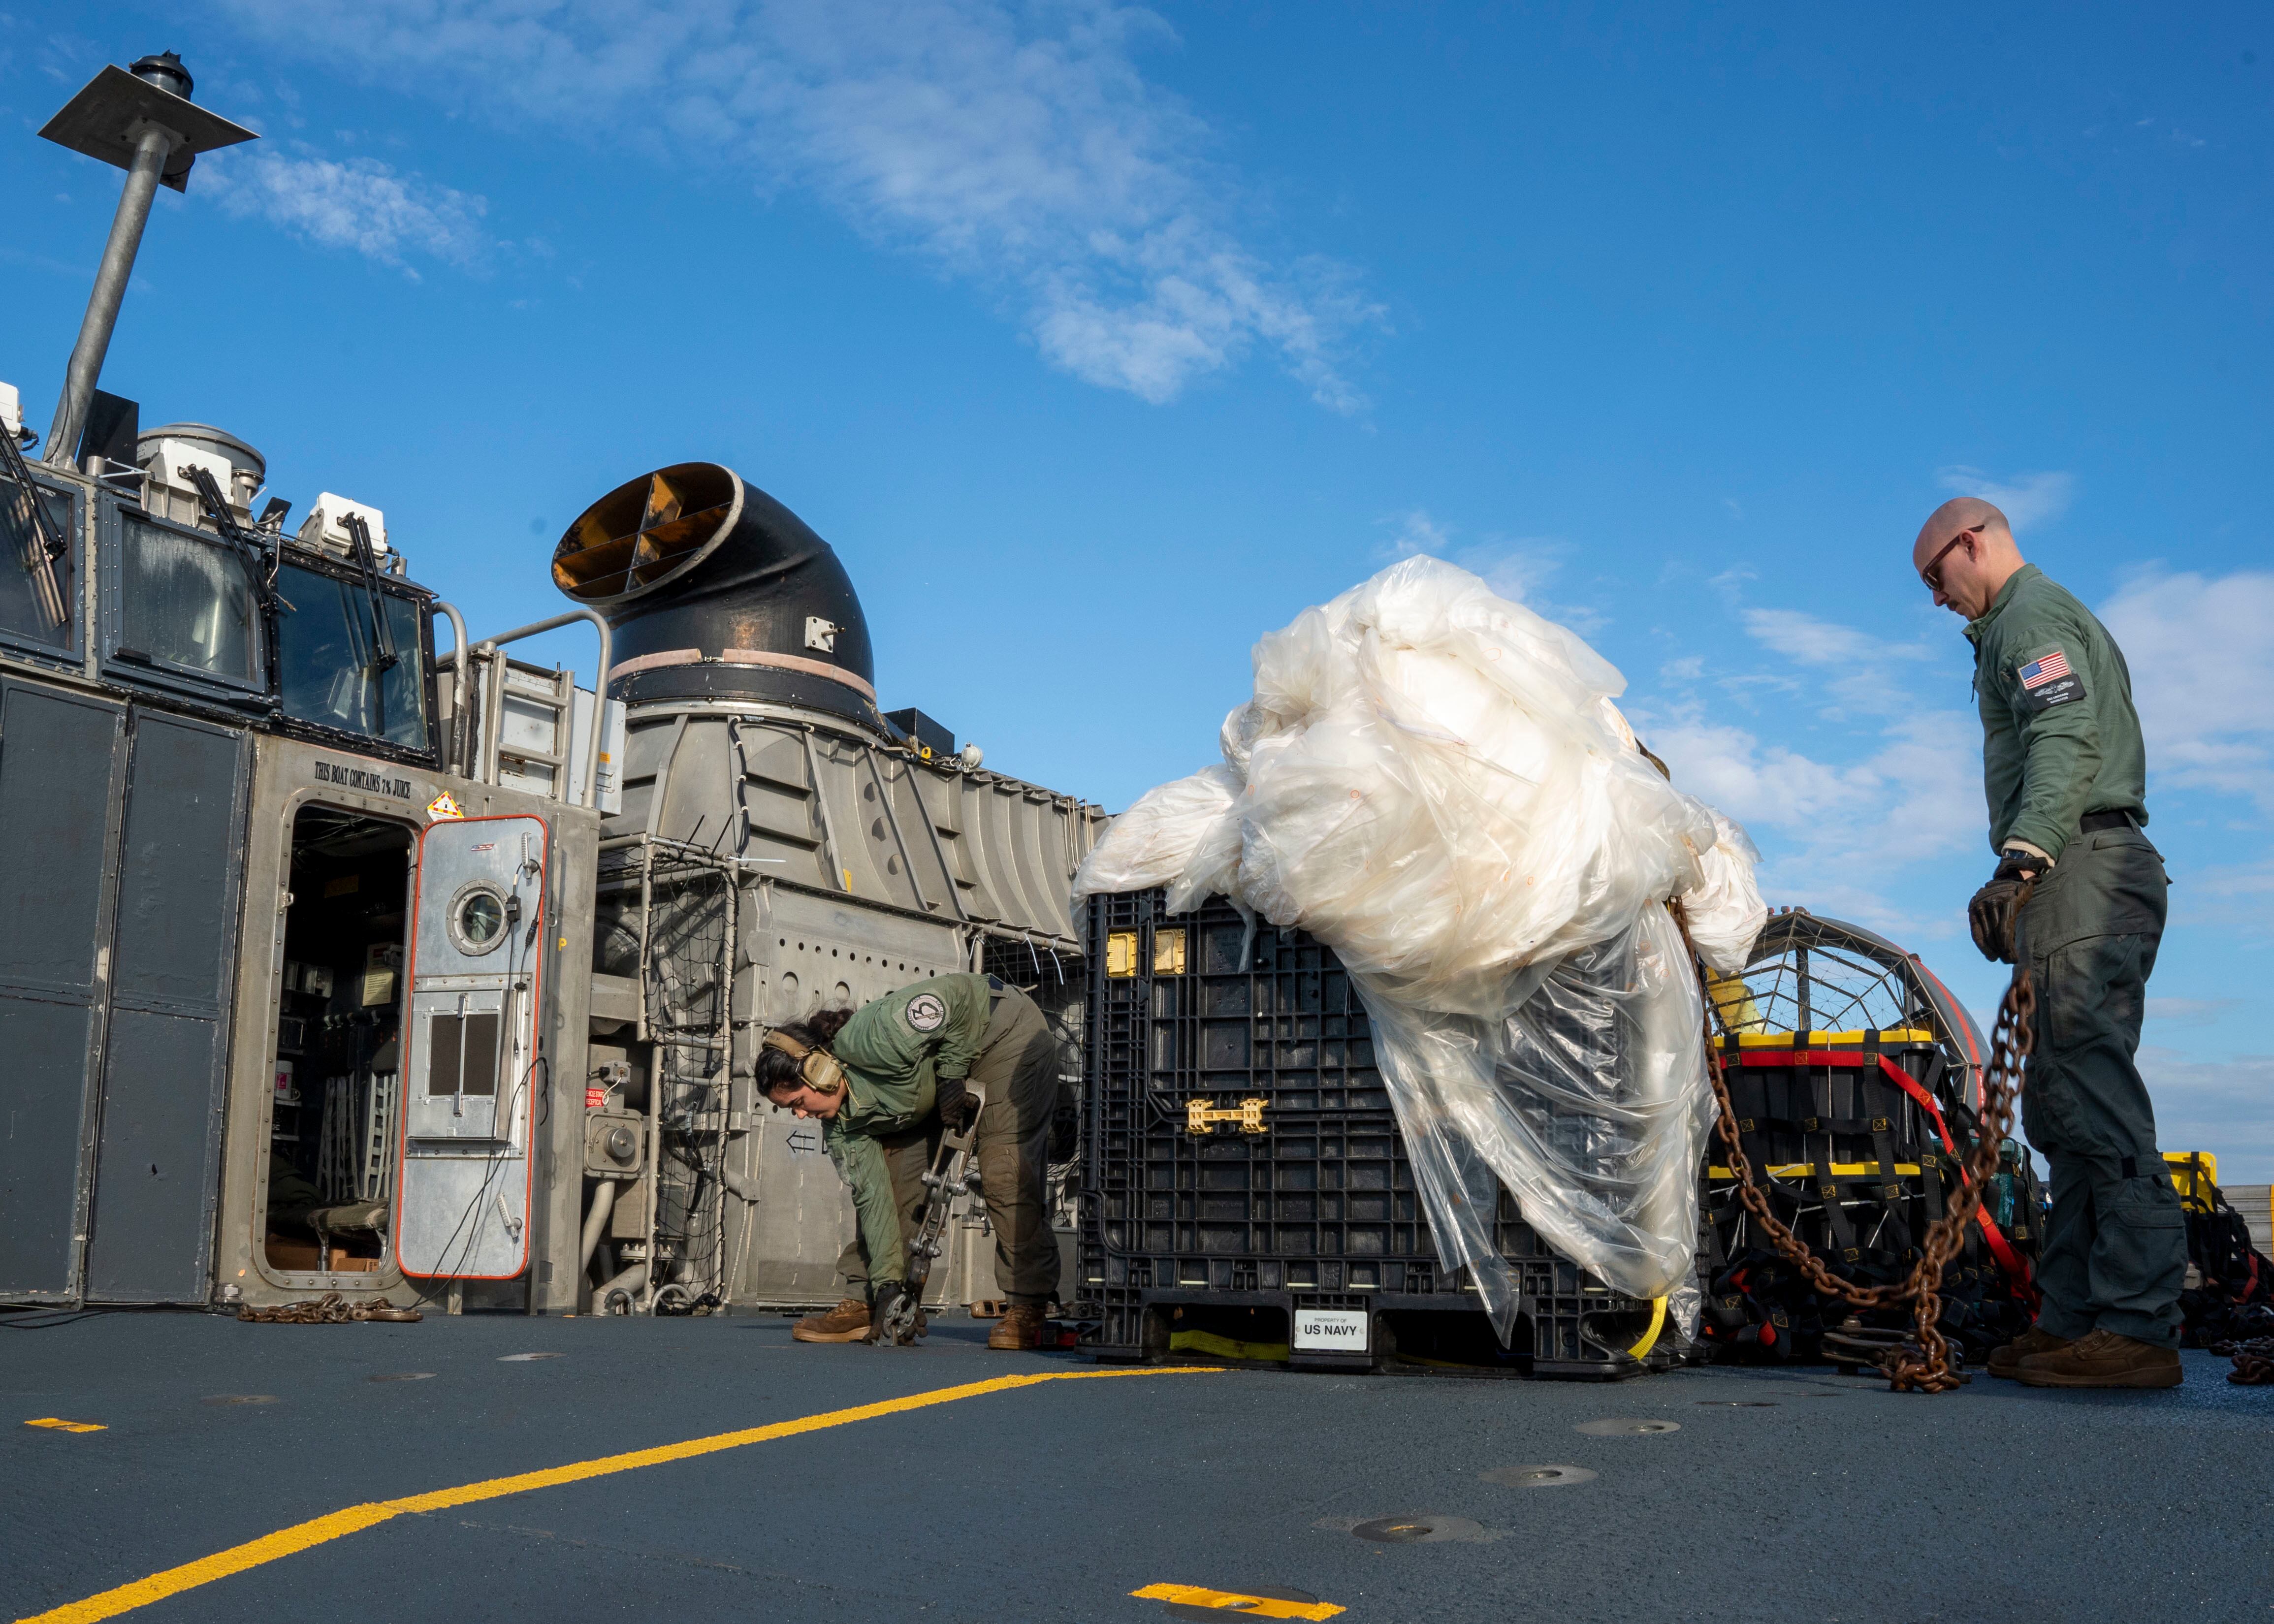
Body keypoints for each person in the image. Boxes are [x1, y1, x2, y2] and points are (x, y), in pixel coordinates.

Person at [1913, 496, 2184, 1389]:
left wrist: (2022, 858)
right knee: (2060, 1101)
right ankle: (2072, 1315)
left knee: (2092, 1094)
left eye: (1935, 575)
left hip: (2083, 864)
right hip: (2077, 869)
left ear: (1971, 542)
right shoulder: (2018, 624)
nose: (1936, 597)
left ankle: (2136, 1324)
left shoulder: (2027, 617)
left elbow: (2063, 731)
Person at [759, 972, 1062, 1349]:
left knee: (1004, 1171)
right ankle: (872, 1300)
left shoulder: (874, 1034)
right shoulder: (841, 1125)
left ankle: (1029, 1303)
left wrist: (952, 1074)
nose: (801, 1115)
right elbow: (873, 1198)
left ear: (819, 1071)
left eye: (798, 1103)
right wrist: (889, 1283)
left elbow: (959, 997)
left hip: (1002, 1037)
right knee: (893, 1178)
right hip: (929, 1082)